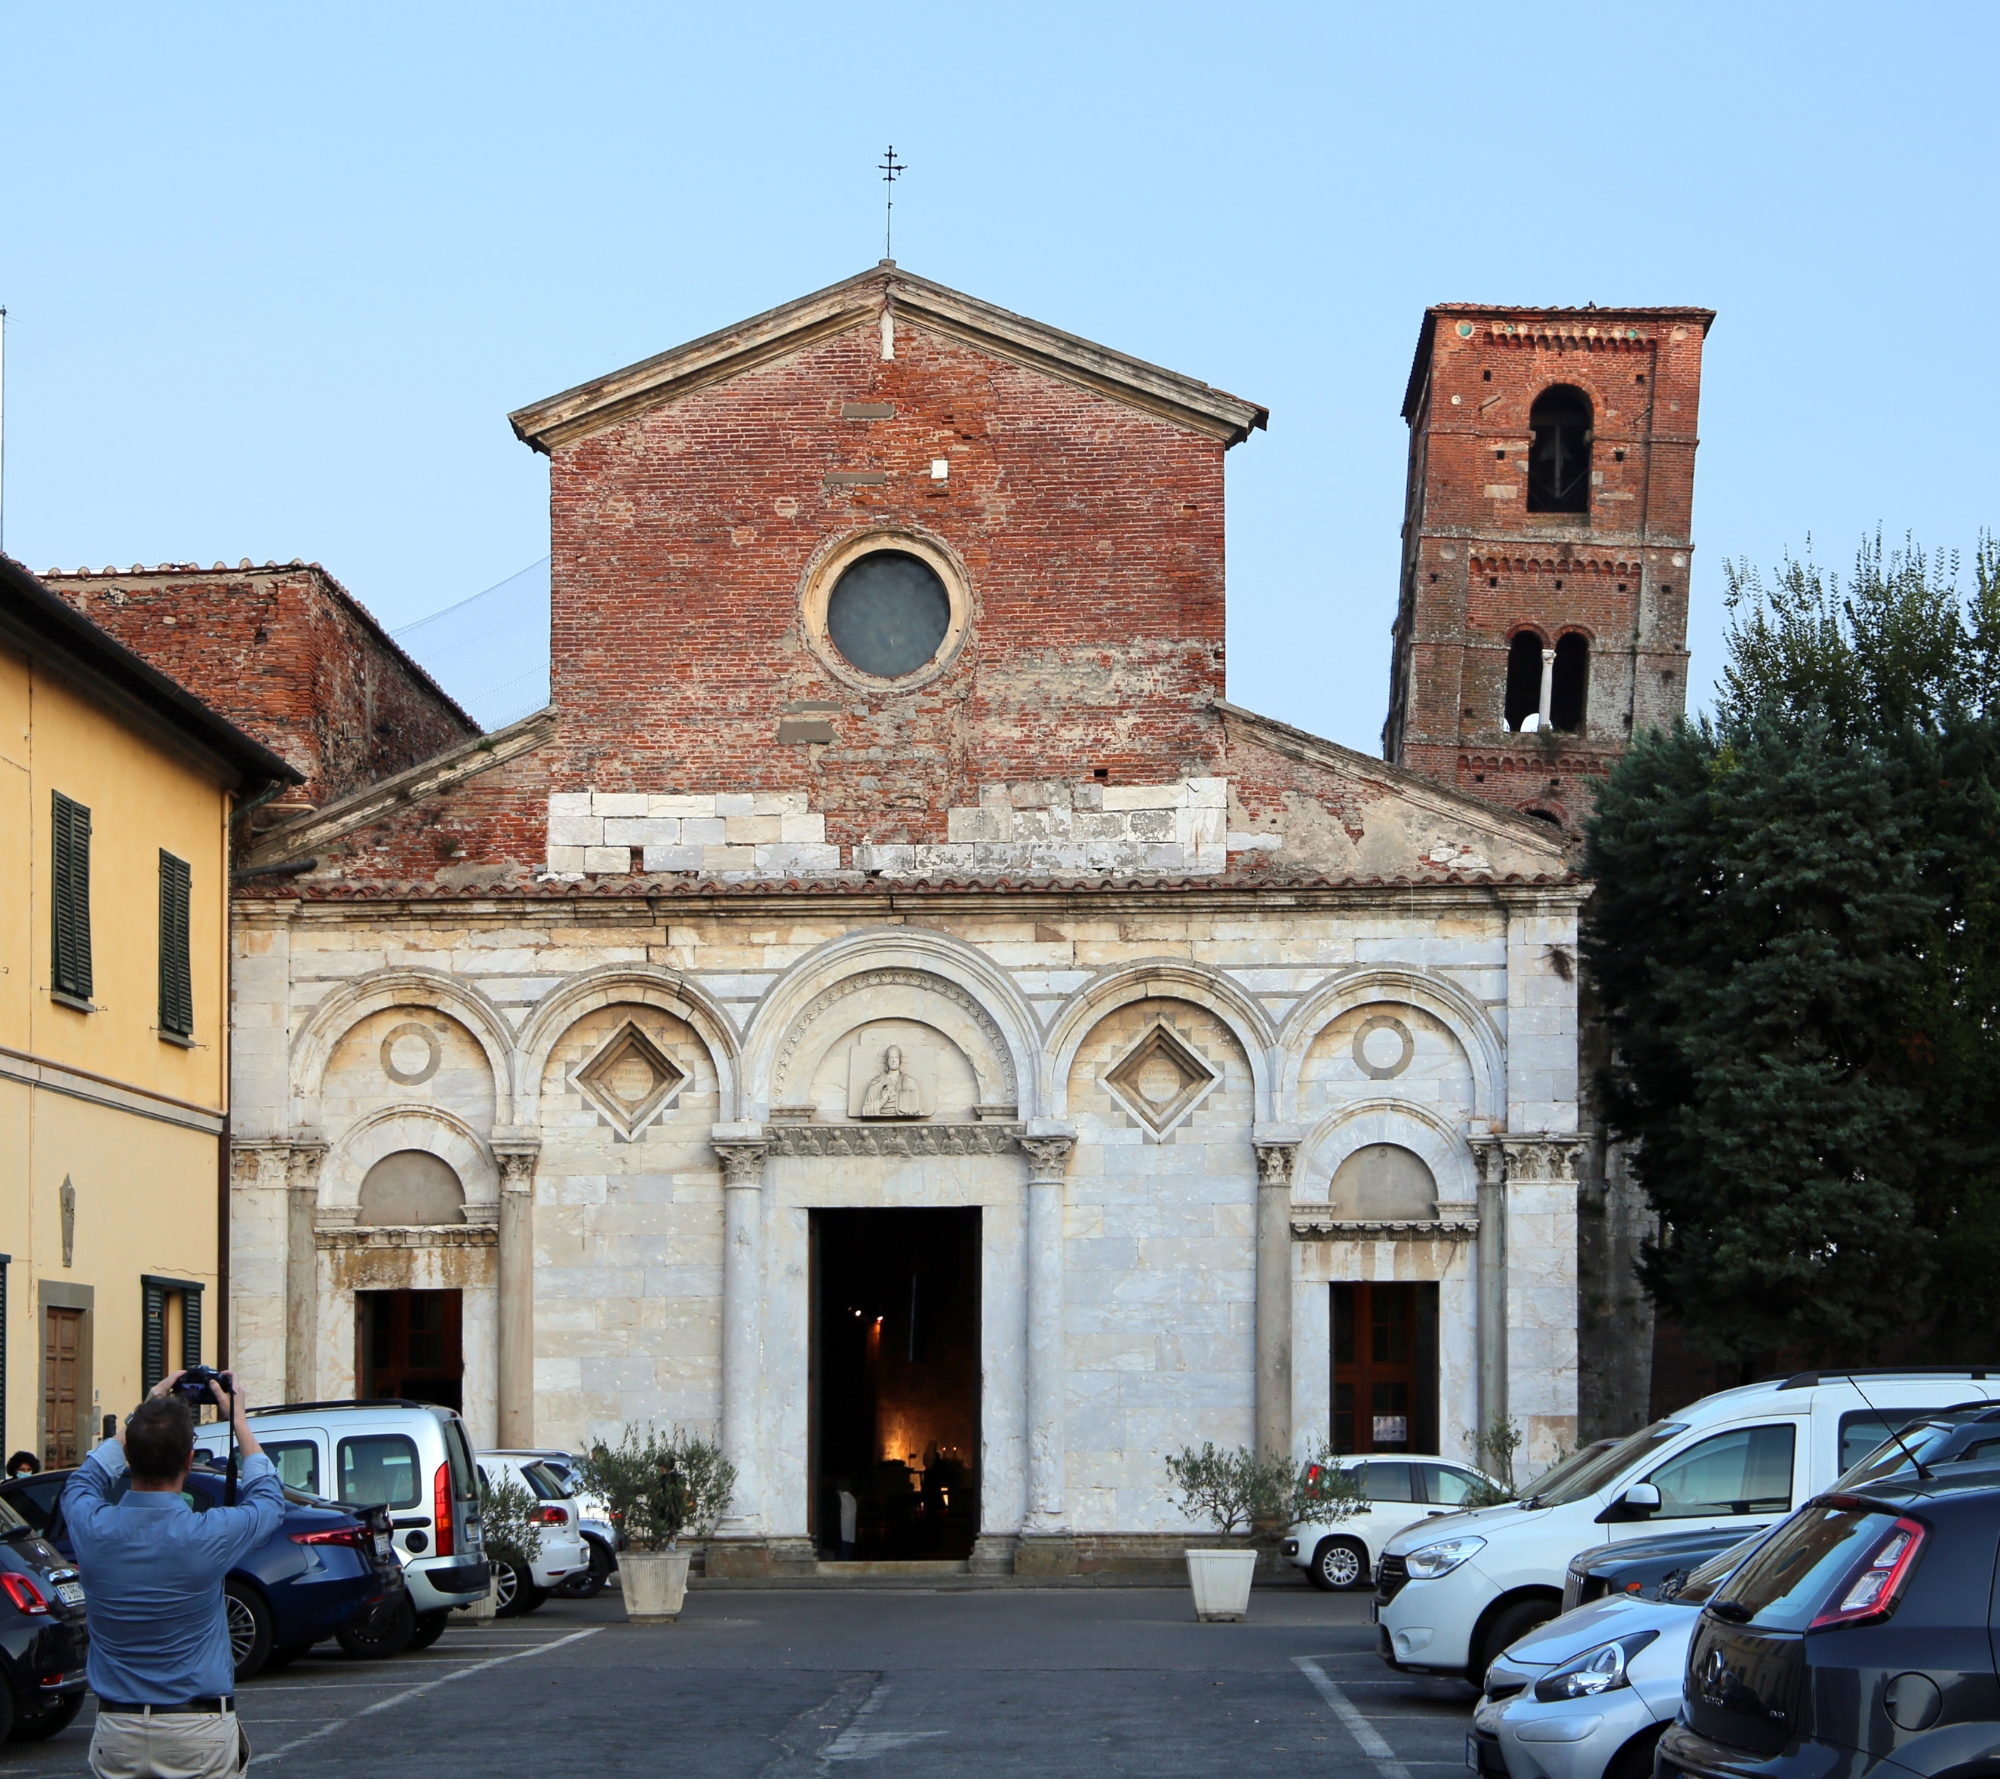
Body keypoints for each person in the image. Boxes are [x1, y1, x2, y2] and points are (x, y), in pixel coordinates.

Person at [65, 1369, 282, 1779]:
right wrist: (239, 1422)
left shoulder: (91, 1525)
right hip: (196, 1728)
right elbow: (269, 1502)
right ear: (189, 1460)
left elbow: (83, 1480)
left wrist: (138, 1418)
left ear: (129, 1457)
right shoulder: (206, 1534)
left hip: (118, 1729)